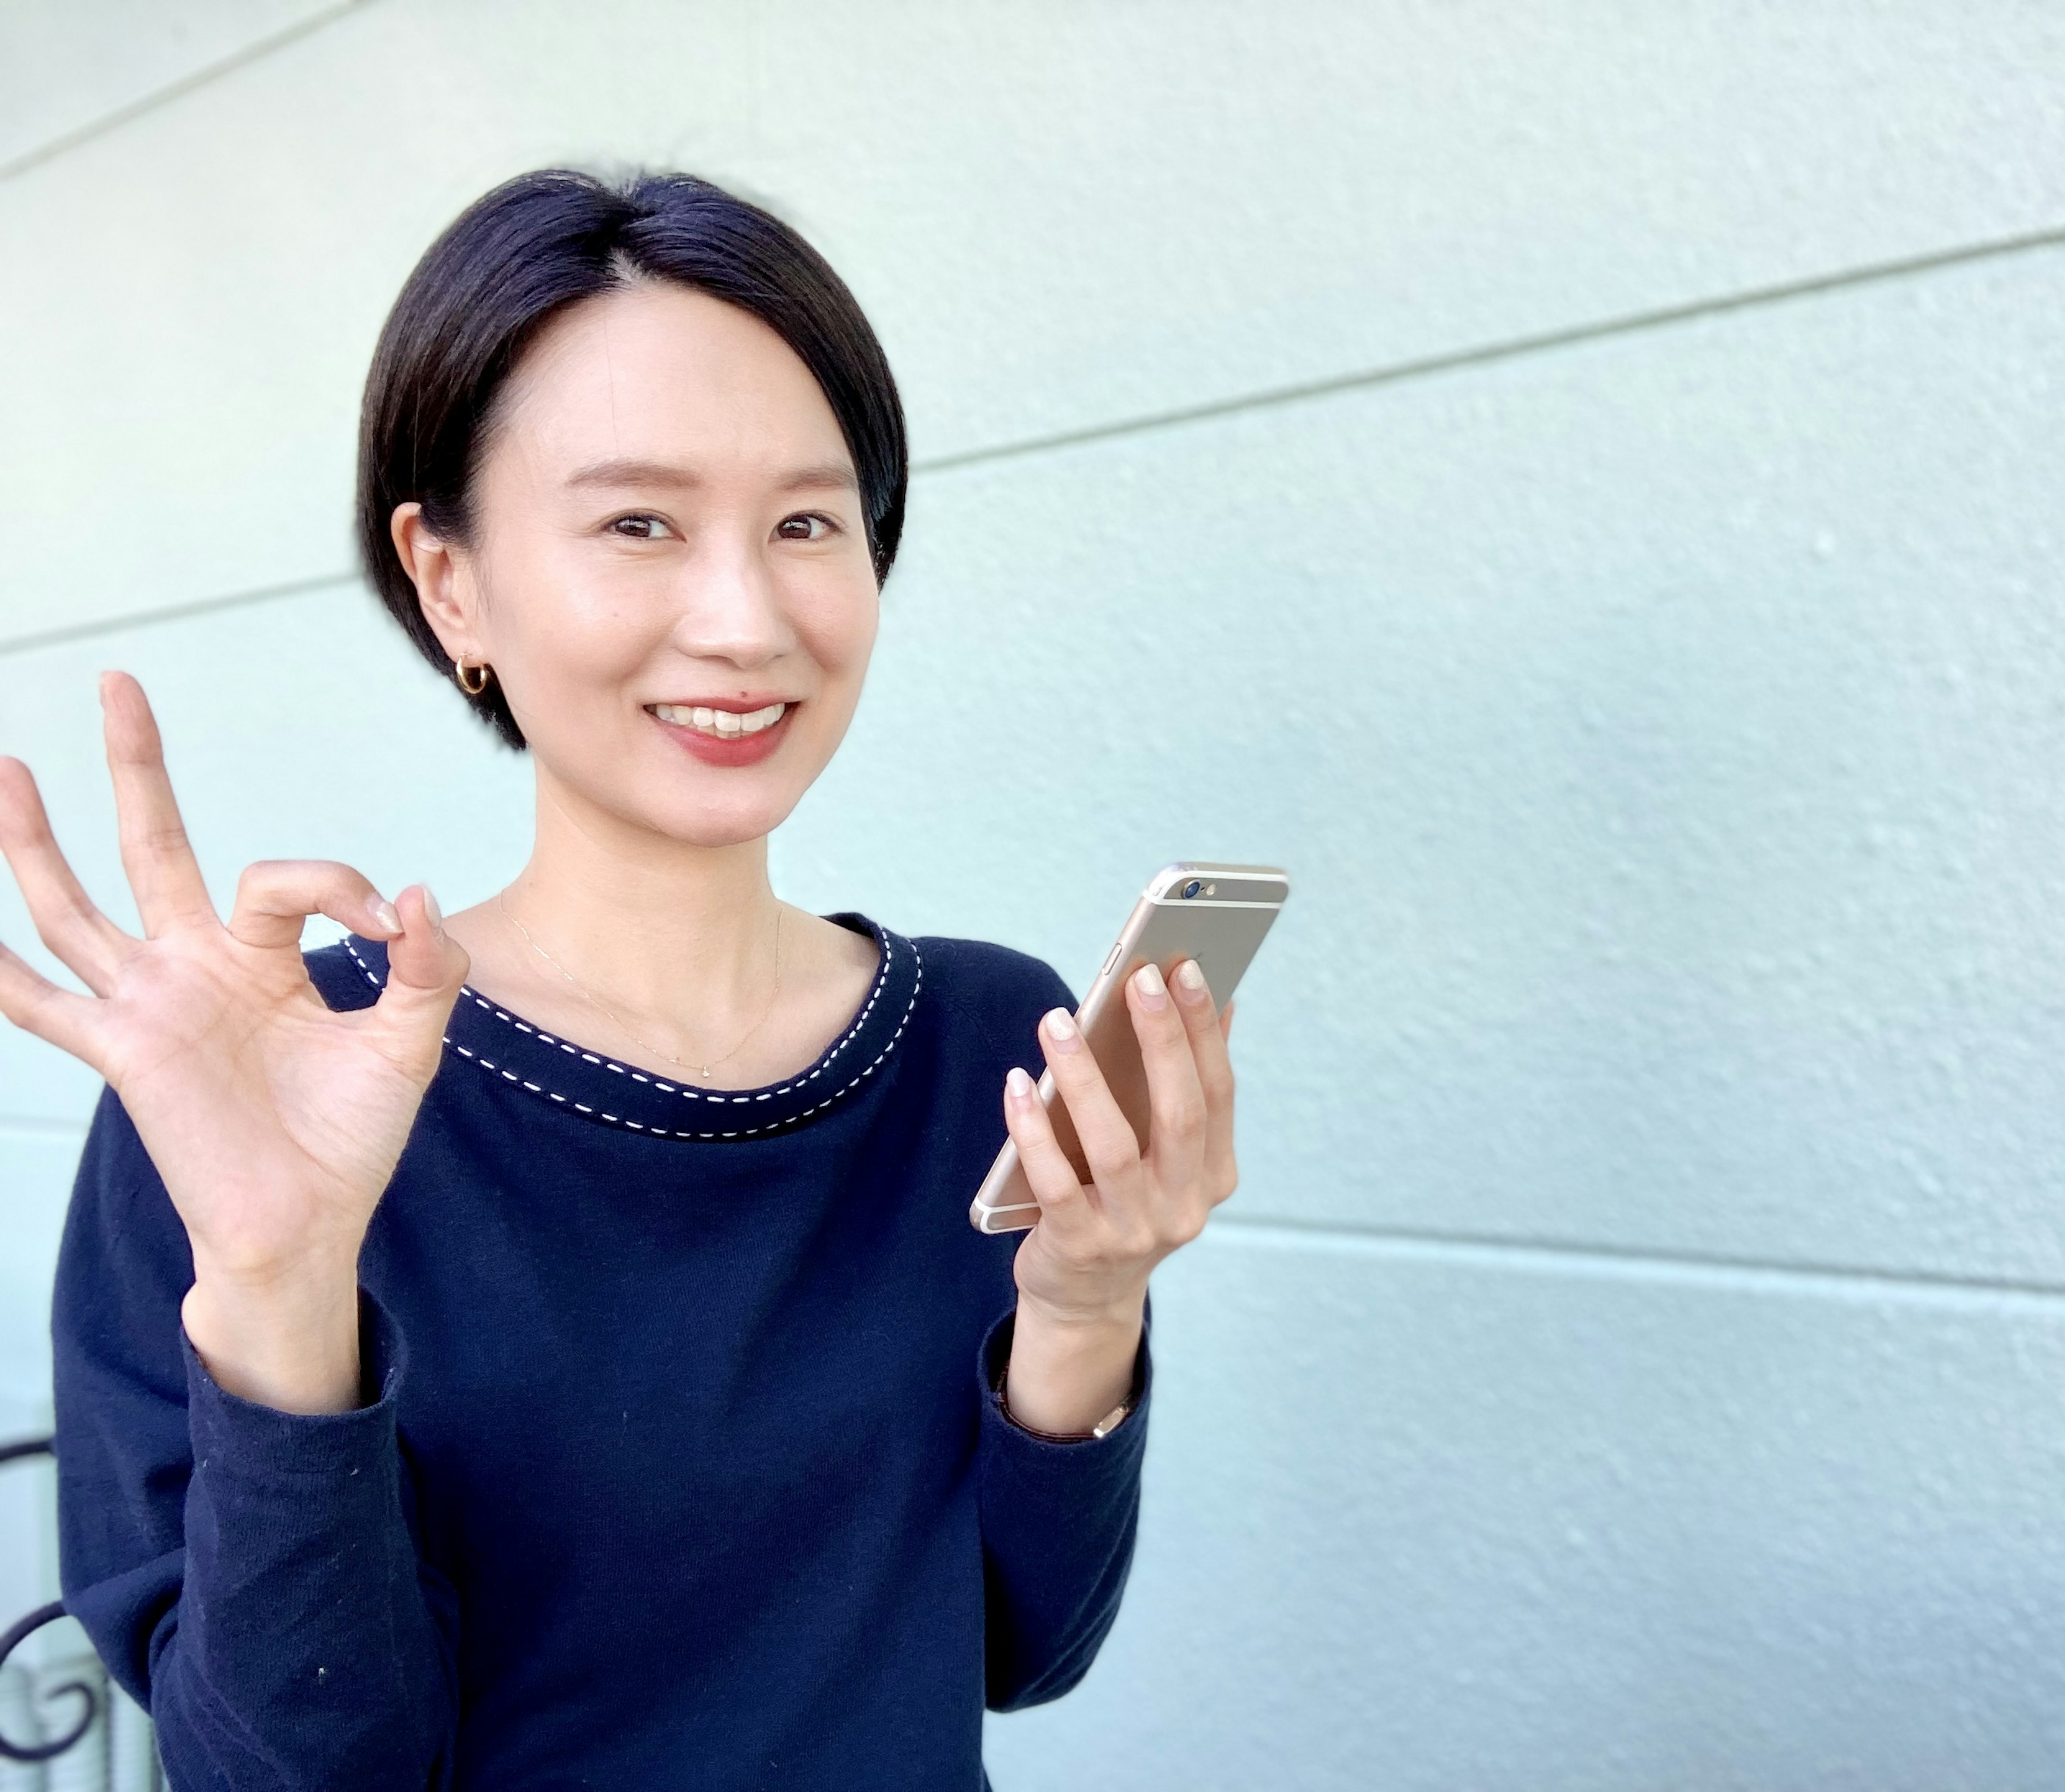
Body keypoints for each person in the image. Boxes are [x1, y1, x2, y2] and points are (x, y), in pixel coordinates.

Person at [0, 169, 1240, 1790]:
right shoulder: (260, 1087)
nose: (740, 618)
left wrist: (1085, 1305)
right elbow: (293, 1772)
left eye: (806, 522)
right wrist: (285, 1297)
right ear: (453, 584)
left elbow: (1023, 1645)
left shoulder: (991, 1046)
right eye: (638, 523)